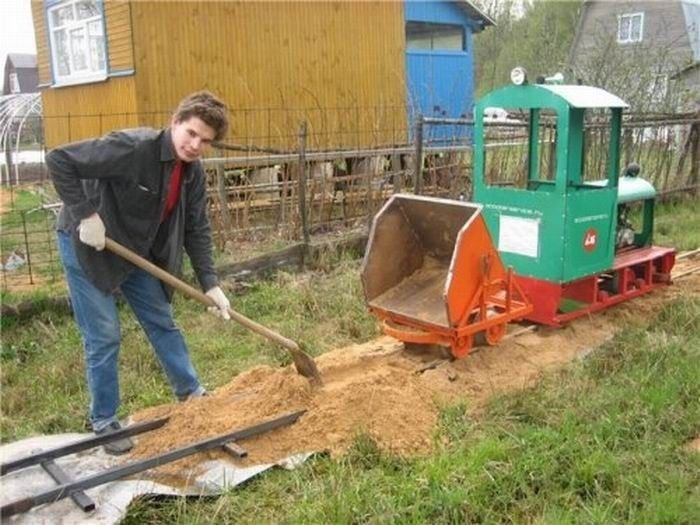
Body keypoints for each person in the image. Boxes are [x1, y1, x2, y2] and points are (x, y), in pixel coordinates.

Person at [47, 91, 232, 455]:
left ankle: (191, 393)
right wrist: (85, 214)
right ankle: (104, 423)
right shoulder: (133, 147)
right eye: (191, 133)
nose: (195, 145)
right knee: (103, 335)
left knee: (162, 321)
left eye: (206, 141)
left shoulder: (192, 174)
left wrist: (210, 283)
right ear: (175, 122)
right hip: (89, 244)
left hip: (134, 250)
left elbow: (197, 228)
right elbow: (59, 159)